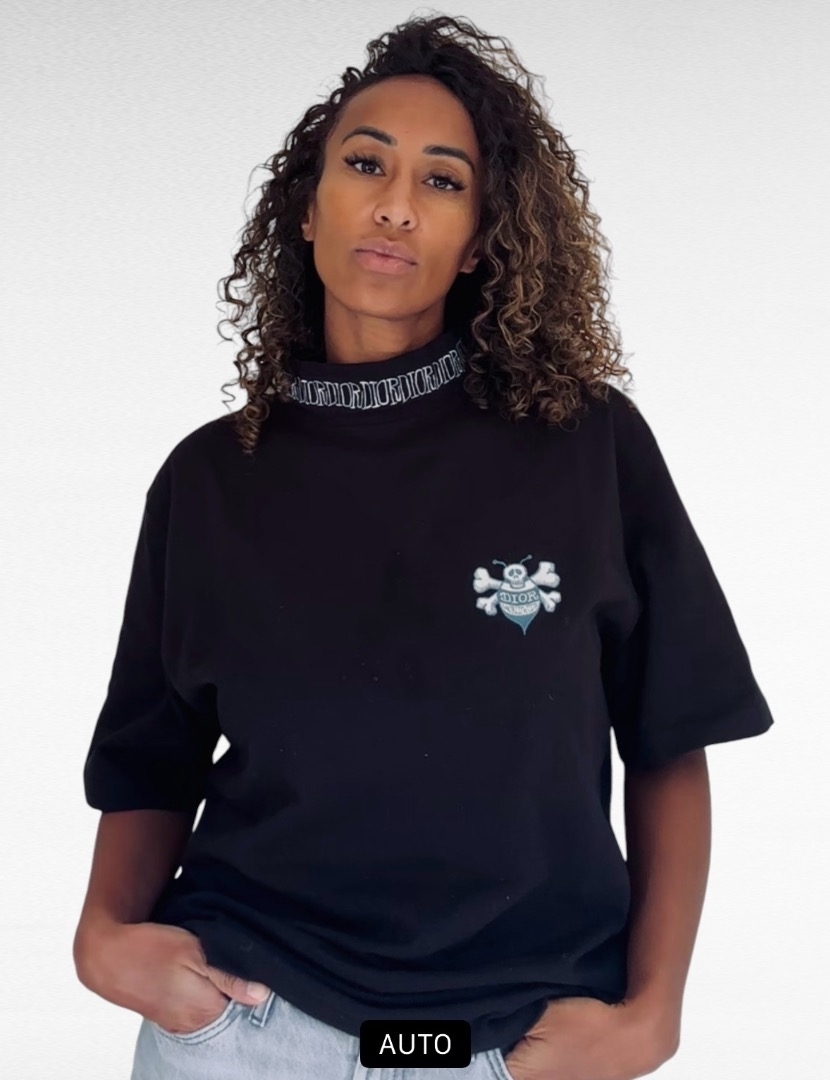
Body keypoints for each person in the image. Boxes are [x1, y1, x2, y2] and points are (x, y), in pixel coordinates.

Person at [72, 13, 774, 1080]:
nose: (396, 204)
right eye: (365, 164)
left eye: (443, 181)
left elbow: (670, 737)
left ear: (482, 237)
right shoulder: (209, 479)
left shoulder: (584, 445)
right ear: (307, 206)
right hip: (246, 1026)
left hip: (513, 1043)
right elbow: (149, 758)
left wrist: (653, 1011)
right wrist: (102, 937)